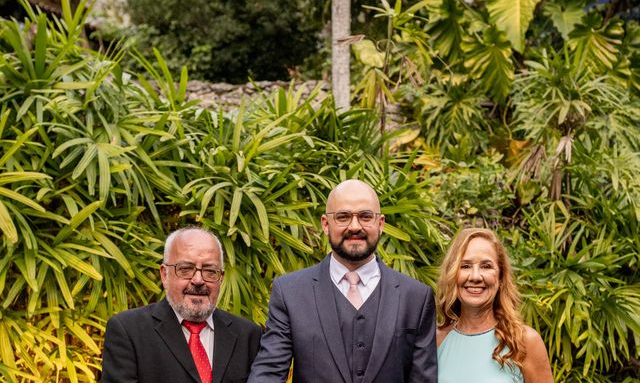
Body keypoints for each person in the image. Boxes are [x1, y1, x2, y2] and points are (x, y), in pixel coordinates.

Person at [248, 179, 438, 383]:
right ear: (325, 224)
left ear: (380, 223)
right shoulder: (290, 292)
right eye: (343, 217)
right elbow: (268, 373)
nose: (354, 226)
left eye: (365, 216)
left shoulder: (417, 297)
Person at [102, 227, 262, 383]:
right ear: (165, 275)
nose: (198, 280)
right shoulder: (128, 331)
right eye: (185, 269)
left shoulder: (248, 336)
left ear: (221, 278)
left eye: (210, 271)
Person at [436, 227, 554, 383]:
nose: (475, 276)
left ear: (501, 277)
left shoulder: (525, 341)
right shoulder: (436, 339)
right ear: (452, 274)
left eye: (486, 266)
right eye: (465, 266)